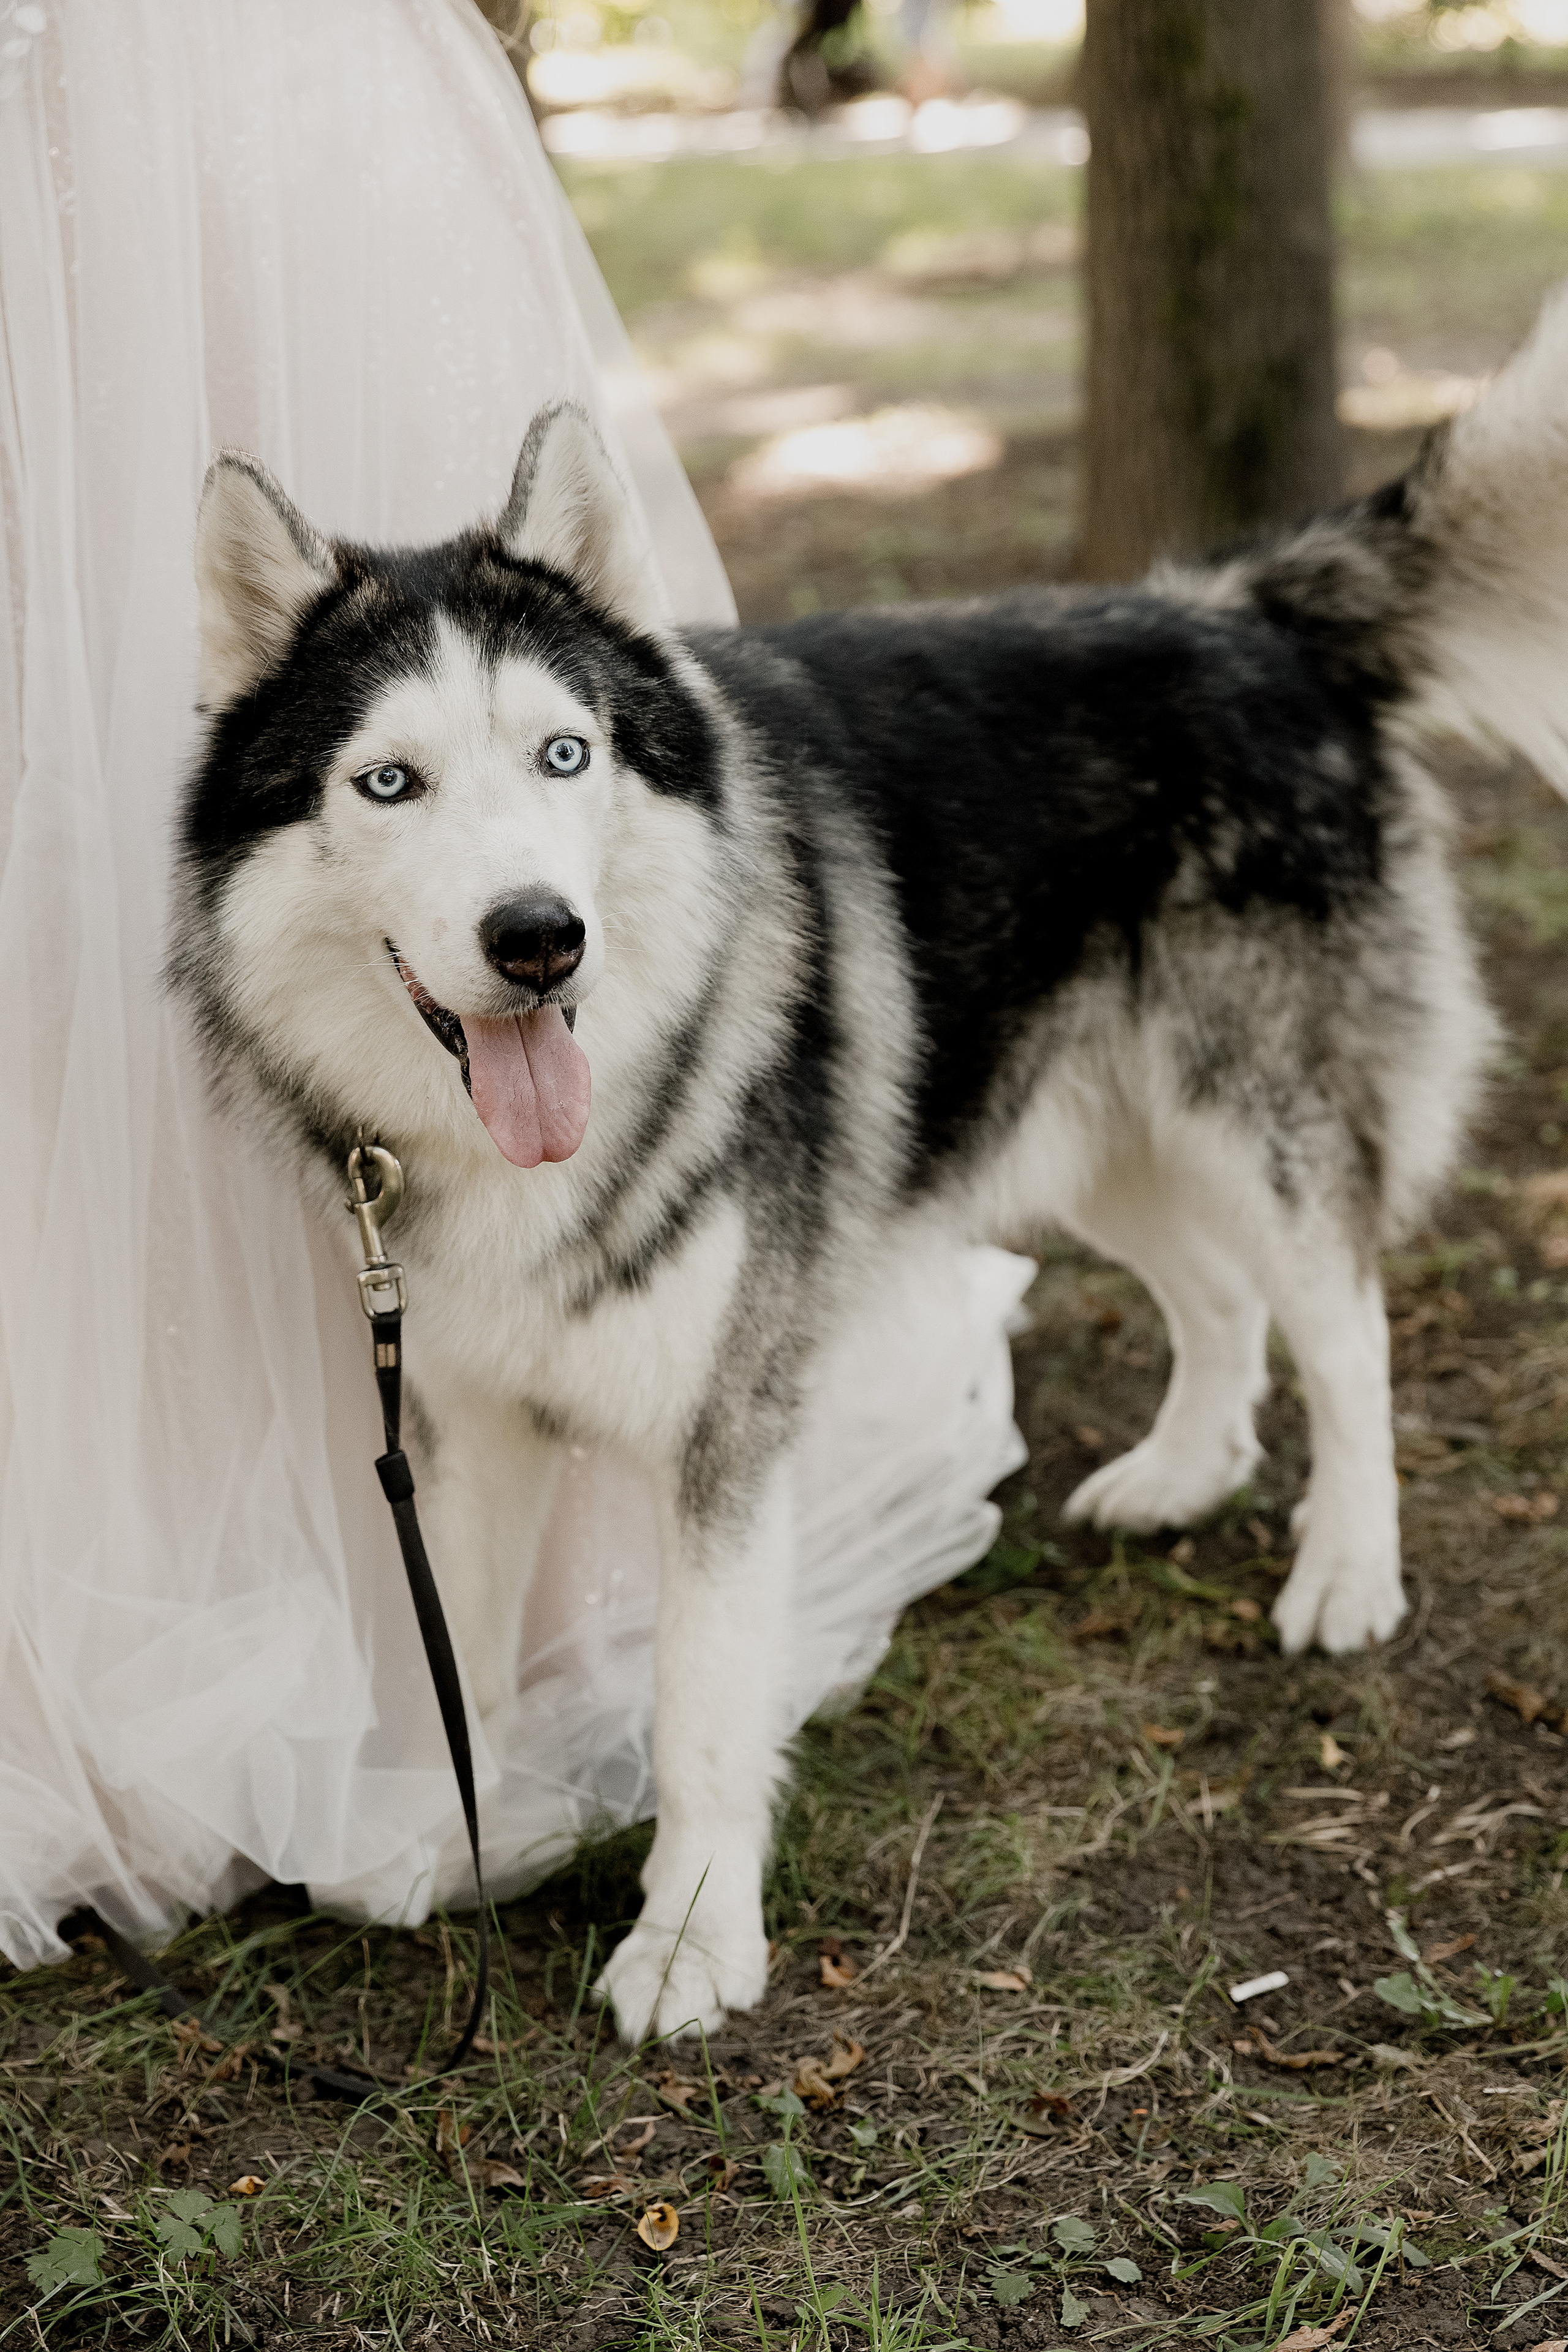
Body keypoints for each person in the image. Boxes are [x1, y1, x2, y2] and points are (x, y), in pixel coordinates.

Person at [0, 0, 1028, 1971]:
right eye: (385, 785)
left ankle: (703, 1851)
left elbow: (725, 1448)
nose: (531, 900)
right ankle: (458, 1760)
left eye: (564, 760)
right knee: (472, 1424)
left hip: (313, 101)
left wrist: (708, 1862)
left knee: (693, 1412)